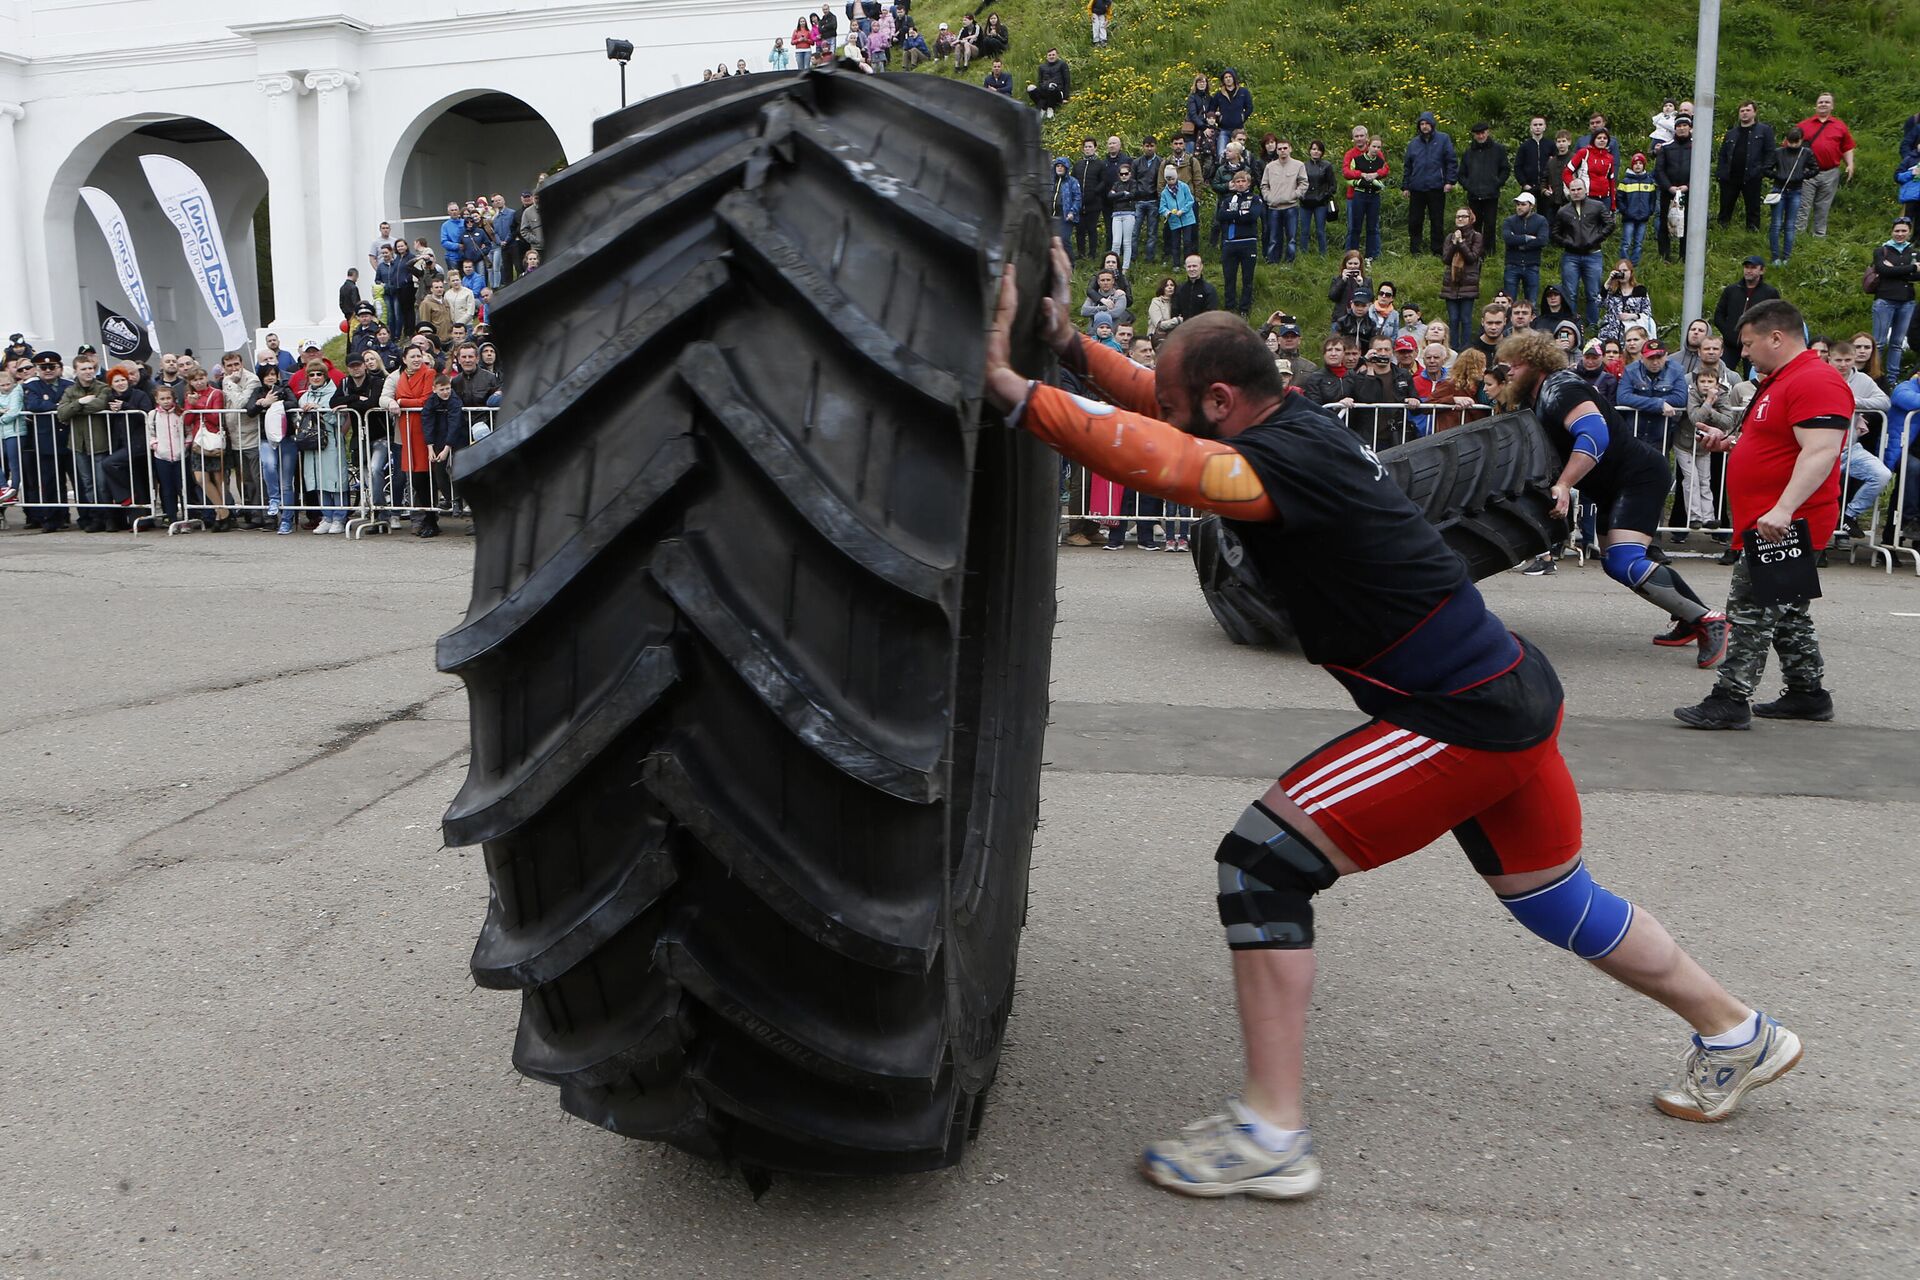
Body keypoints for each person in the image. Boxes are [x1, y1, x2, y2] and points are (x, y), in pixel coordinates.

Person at [979, 241, 1802, 1202]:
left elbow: (1159, 456)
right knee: (1553, 899)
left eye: (1175, 396)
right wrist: (1070, 344)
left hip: (1456, 713)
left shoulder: (1266, 471)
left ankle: (1273, 1132)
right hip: (1507, 686)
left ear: (1217, 402)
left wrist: (1006, 383)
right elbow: (1159, 412)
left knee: (1260, 864)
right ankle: (1738, 1031)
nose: (1161, 405)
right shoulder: (1295, 422)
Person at [1498, 328, 1729, 665]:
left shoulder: (1561, 388)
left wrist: (1563, 485)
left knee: (1624, 560)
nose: (1510, 373)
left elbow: (1593, 435)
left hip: (1637, 478)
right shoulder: (1541, 394)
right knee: (1617, 564)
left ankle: (1710, 621)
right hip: (1611, 485)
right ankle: (1688, 616)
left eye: (1514, 365)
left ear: (1533, 362)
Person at [1676, 300, 1848, 728]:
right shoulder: (1781, 380)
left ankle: (1731, 698)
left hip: (1785, 521)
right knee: (1788, 608)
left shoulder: (1815, 381)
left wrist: (1785, 509)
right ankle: (1808, 693)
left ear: (1777, 337)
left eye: (1749, 344)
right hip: (1772, 516)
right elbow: (1780, 444)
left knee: (1750, 606)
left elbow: (1822, 450)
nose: (1745, 353)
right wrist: (1731, 443)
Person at [1824, 341, 1891, 543]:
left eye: (1847, 360)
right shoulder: (1820, 376)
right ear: (1830, 359)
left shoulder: (1863, 379)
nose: (1843, 364)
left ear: (1854, 359)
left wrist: (1855, 402)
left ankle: (1849, 515)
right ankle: (1820, 542)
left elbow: (1885, 402)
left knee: (1881, 474)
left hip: (1850, 448)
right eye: (1838, 360)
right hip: (1819, 448)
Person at [1552, 179, 1614, 331]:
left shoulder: (1597, 206)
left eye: (1579, 189)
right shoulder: (1563, 211)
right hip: (1571, 256)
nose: (1576, 192)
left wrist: (1596, 239)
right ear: (1569, 192)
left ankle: (1593, 324)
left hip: (1593, 254)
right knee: (1569, 293)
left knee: (1593, 293)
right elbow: (1555, 232)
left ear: (1585, 190)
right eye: (1572, 190)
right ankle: (1571, 323)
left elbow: (1610, 224)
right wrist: (1567, 243)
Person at [1792, 92, 1855, 237]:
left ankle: (1819, 237)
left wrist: (1850, 164)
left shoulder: (1839, 126)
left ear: (1832, 106)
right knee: (1803, 206)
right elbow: (1790, 145)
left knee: (1823, 206)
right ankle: (1797, 236)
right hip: (1807, 172)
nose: (1823, 104)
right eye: (1820, 102)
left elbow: (1847, 147)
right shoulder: (1803, 125)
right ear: (1816, 105)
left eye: (1827, 102)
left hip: (1830, 172)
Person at [1401, 112, 1457, 256]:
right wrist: (1406, 185)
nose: (1424, 126)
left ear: (1432, 124)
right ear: (1419, 126)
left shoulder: (1443, 139)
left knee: (1437, 220)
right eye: (1422, 124)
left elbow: (1451, 161)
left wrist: (1450, 181)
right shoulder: (1413, 143)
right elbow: (1408, 166)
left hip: (1437, 187)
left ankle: (1437, 249)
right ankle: (1415, 249)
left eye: (1427, 123)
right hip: (1417, 187)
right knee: (1415, 221)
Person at [1869, 216, 1917, 384]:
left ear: (1909, 232)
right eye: (1897, 231)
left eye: (1904, 231)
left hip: (1907, 302)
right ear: (1892, 231)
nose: (1900, 234)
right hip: (1885, 300)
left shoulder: (1914, 251)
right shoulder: (1882, 250)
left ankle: (1892, 379)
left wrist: (1895, 269)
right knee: (1879, 342)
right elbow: (1883, 270)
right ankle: (1874, 377)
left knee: (1897, 343)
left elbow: (1918, 276)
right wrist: (1911, 268)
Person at [1716, 102, 1776, 231]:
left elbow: (1770, 152)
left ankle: (1752, 232)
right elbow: (1723, 154)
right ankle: (1721, 230)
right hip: (1730, 176)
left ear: (1754, 112)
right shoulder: (1731, 133)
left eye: (1748, 110)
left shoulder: (1764, 130)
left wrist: (1763, 170)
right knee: (1725, 205)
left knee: (1753, 207)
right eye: (1742, 110)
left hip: (1752, 175)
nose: (1744, 113)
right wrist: (1721, 172)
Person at [1215, 170, 1264, 317]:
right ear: (1234, 184)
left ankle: (1244, 309)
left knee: (1247, 278)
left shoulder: (1254, 198)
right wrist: (1241, 213)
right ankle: (1229, 308)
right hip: (1230, 243)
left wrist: (1235, 216)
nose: (1240, 184)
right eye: (1238, 182)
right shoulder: (1228, 200)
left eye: (1243, 181)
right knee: (1229, 278)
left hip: (1248, 242)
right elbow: (1221, 215)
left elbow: (1253, 215)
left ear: (1248, 183)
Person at [1766, 127, 1815, 266]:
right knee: (1776, 224)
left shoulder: (1806, 153)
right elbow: (1766, 168)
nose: (1793, 144)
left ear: (1801, 140)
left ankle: (1787, 257)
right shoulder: (1778, 152)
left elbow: (1815, 168)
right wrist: (1778, 175)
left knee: (1790, 225)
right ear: (1786, 140)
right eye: (1790, 141)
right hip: (1778, 190)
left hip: (1796, 190)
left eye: (1796, 142)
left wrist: (1802, 176)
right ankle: (1775, 257)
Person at [1457, 122, 1510, 249]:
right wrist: (1468, 186)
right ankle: (1475, 250)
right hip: (1474, 194)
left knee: (1490, 224)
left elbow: (1505, 169)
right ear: (1474, 135)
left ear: (1488, 132)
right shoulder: (1468, 152)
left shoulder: (1498, 149)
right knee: (1475, 223)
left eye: (1483, 133)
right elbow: (1461, 174)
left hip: (1491, 194)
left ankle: (1490, 251)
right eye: (1477, 134)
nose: (1480, 136)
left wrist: (1497, 183)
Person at [1711, 257, 1782, 348]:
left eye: (1753, 268)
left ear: (1762, 271)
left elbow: (1776, 318)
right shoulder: (1731, 290)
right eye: (1746, 267)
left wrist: (1762, 335)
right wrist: (1727, 332)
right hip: (1730, 344)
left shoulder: (1770, 293)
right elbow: (1719, 314)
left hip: (1755, 345)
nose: (1749, 270)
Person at [1439, 208, 1485, 341]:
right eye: (1458, 216)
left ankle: (1465, 347)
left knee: (1465, 319)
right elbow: (1446, 259)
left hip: (1468, 283)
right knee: (1453, 319)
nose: (1460, 219)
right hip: (1451, 284)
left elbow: (1472, 258)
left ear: (1470, 219)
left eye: (1463, 216)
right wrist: (1454, 243)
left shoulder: (1477, 236)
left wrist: (1461, 243)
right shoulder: (1450, 236)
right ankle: (1453, 347)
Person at [1653, 115, 1695, 262]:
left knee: (1689, 223)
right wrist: (1669, 187)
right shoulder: (1666, 147)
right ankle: (1664, 256)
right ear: (1675, 128)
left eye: (1685, 125)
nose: (1682, 128)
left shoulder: (1696, 147)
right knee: (1664, 223)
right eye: (1679, 126)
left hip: (1689, 192)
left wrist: (1688, 186)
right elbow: (1659, 170)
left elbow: (1700, 169)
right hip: (1668, 192)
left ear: (1690, 128)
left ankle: (1685, 256)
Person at [1259, 139, 1307, 264]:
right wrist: (1268, 197)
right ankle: (1272, 261)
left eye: (1285, 148)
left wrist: (1295, 195)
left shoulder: (1299, 165)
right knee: (1274, 237)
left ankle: (1290, 262)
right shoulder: (1270, 166)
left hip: (1291, 207)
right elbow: (1264, 185)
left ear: (1290, 149)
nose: (1282, 151)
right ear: (1276, 151)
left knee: (1291, 238)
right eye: (1280, 149)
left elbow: (1303, 183)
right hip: (1274, 207)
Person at [1343, 132, 1389, 259]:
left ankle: (1372, 255)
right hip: (1357, 196)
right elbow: (1346, 173)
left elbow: (1385, 170)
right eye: (1374, 146)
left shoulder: (1380, 158)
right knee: (1354, 227)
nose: (1376, 149)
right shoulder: (1353, 157)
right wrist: (1361, 176)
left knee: (1373, 227)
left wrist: (1376, 175)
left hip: (1374, 196)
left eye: (1379, 147)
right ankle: (1352, 255)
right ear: (1369, 146)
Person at [1500, 191, 1549, 306]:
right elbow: (1508, 239)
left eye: (1523, 204)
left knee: (1531, 302)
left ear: (1531, 206)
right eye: (1518, 204)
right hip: (1512, 264)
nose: (1519, 207)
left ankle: (1531, 323)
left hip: (1532, 264)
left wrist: (1519, 243)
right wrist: (1527, 238)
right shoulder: (1509, 221)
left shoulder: (1541, 220)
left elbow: (1542, 240)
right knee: (1509, 302)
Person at [1598, 259, 1656, 346]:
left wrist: (1632, 316)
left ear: (1631, 272)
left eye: (1625, 271)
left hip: (1631, 334)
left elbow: (1647, 313)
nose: (1622, 273)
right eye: (1619, 271)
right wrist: (1609, 281)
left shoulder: (1640, 290)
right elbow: (1599, 303)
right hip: (1610, 334)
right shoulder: (1611, 291)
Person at [1615, 153, 1656, 265]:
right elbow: (1619, 199)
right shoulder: (1625, 182)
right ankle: (1624, 263)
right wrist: (1625, 211)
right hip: (1629, 217)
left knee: (1638, 242)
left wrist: (1650, 210)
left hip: (1643, 217)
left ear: (1644, 166)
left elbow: (1652, 199)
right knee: (1626, 242)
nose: (1638, 166)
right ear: (1632, 166)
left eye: (1640, 163)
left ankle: (1634, 264)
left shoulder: (1649, 182)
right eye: (1635, 163)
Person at [1565, 128, 1617, 209]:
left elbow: (1612, 181)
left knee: (1606, 222)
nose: (1602, 140)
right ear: (1593, 140)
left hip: (1605, 198)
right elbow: (1566, 172)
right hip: (1588, 197)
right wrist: (1574, 188)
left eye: (1605, 138)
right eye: (1599, 138)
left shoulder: (1610, 158)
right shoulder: (1584, 152)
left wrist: (1613, 203)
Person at [1300, 141, 1336, 257]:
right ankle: (1303, 254)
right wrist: (1301, 195)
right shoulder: (1303, 166)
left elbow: (1333, 185)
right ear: (1310, 151)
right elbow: (1299, 183)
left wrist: (1324, 196)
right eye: (1314, 149)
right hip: (1305, 202)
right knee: (1304, 231)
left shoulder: (1327, 165)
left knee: (1320, 230)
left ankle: (1323, 255)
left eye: (1319, 149)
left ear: (1322, 152)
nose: (1316, 151)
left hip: (1321, 202)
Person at [1107, 162, 1143, 274]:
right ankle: (1112, 267)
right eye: (1121, 174)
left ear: (1130, 174)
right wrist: (1123, 193)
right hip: (1116, 214)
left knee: (1127, 242)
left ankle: (1125, 268)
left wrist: (1117, 196)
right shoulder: (1116, 184)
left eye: (1126, 174)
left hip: (1129, 214)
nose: (1123, 176)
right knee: (1116, 242)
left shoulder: (1133, 183)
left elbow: (1132, 195)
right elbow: (1110, 197)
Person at [1210, 70, 1253, 162]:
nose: (1228, 79)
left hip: (1239, 130)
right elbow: (1212, 110)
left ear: (1234, 78)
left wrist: (1242, 117)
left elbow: (1249, 107)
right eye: (1226, 77)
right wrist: (1218, 118)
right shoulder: (1219, 94)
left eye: (1230, 77)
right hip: (1223, 129)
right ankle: (1222, 173)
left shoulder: (1243, 92)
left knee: (1240, 154)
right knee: (1221, 154)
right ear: (1223, 80)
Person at [1159, 167, 1197, 265]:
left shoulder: (1184, 187)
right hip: (1174, 221)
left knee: (1187, 242)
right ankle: (1176, 264)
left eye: (1172, 179)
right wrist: (1167, 212)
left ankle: (1187, 262)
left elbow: (1190, 200)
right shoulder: (1164, 192)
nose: (1171, 181)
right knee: (1175, 243)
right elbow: (1162, 207)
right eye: (1168, 179)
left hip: (1187, 219)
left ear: (1176, 177)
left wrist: (1183, 210)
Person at [1172, 253, 1219, 321]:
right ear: (1185, 267)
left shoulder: (1209, 289)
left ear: (1201, 266)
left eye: (1194, 266)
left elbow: (1211, 313)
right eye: (1189, 266)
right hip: (1183, 328)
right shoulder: (1180, 289)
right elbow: (1175, 312)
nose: (1191, 269)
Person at [1028, 47, 1070, 118]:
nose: (1051, 57)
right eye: (1049, 55)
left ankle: (1050, 108)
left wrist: (1066, 97)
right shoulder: (1042, 67)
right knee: (1030, 88)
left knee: (1051, 86)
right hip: (1045, 91)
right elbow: (1040, 81)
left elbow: (1067, 80)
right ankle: (1043, 107)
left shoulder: (1062, 64)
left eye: (1053, 55)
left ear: (1057, 55)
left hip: (1057, 91)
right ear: (1047, 57)